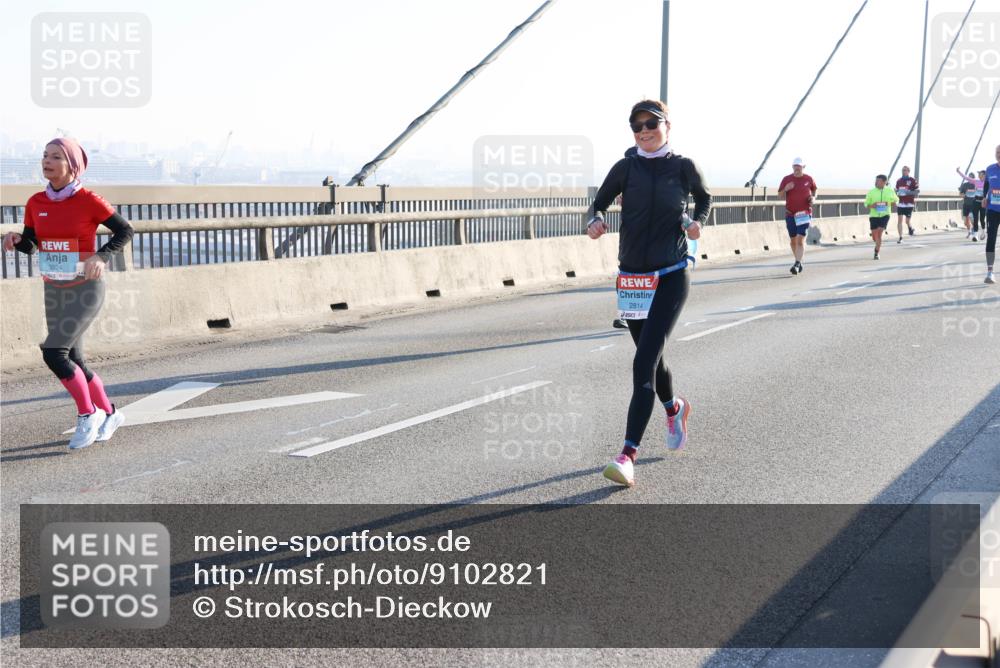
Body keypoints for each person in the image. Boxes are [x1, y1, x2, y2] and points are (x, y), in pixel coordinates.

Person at [586, 100, 711, 487]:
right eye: (636, 125)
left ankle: (627, 455)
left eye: (651, 123)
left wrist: (696, 223)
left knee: (642, 365)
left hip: (671, 275)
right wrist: (596, 219)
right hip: (633, 281)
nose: (644, 130)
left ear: (667, 126)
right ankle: (675, 407)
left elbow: (704, 198)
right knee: (652, 360)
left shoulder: (684, 166)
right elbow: (598, 203)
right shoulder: (626, 167)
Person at [1, 138, 134, 449]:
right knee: (75, 358)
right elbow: (33, 245)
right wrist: (16, 239)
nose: (47, 161)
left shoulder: (88, 200)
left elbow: (125, 230)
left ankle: (88, 414)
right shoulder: (36, 202)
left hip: (85, 289)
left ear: (72, 165)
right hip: (55, 288)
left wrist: (100, 256)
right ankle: (110, 413)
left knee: (54, 352)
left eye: (56, 156)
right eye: (44, 155)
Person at [778, 158, 817, 275]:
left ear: (803, 167)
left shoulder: (808, 179)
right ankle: (798, 261)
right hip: (790, 214)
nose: (796, 168)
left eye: (799, 166)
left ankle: (796, 263)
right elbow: (780, 195)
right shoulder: (786, 179)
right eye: (795, 166)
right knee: (793, 241)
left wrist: (814, 198)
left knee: (800, 240)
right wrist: (785, 189)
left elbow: (815, 190)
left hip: (804, 214)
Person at [864, 174, 898, 260]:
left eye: (878, 181)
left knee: (879, 233)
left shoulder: (890, 191)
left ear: (884, 182)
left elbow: (896, 201)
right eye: (875, 181)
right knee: (874, 236)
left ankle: (876, 253)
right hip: (874, 216)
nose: (876, 182)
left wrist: (888, 204)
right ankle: (877, 243)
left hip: (885, 215)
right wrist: (873, 205)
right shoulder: (871, 191)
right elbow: (866, 204)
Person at [982, 145, 1000, 284]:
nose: (999, 154)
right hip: (993, 209)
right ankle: (990, 272)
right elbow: (986, 186)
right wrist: (984, 197)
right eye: (997, 152)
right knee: (991, 239)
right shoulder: (990, 169)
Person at [956, 167, 984, 240]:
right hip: (970, 204)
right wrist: (958, 171)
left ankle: (978, 231)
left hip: (978, 203)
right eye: (970, 177)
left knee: (976, 218)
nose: (971, 179)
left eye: (972, 177)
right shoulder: (970, 183)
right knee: (968, 220)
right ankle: (972, 232)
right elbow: (965, 178)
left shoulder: (982, 183)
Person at [894, 166, 918, 241]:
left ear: (908, 171)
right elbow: (897, 190)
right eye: (903, 170)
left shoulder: (912, 180)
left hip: (909, 203)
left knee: (907, 221)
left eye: (905, 170)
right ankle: (900, 237)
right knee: (899, 220)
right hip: (901, 203)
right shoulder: (899, 180)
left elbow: (917, 191)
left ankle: (910, 228)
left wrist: (908, 192)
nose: (903, 171)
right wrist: (897, 192)